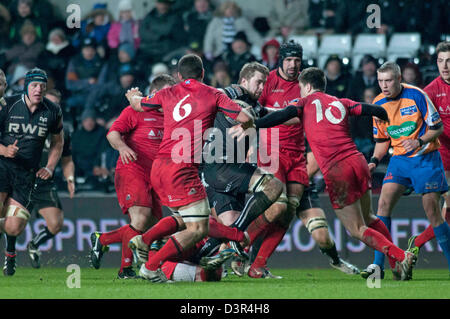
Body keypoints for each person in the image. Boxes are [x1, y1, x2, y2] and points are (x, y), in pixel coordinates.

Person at [253, 66, 417, 281]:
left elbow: (283, 115)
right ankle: (397, 264)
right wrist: (385, 114)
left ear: (308, 86)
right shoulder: (340, 101)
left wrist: (255, 124)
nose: (300, 93)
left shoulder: (304, 102)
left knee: (357, 229)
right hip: (358, 161)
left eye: (301, 88)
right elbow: (369, 109)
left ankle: (400, 255)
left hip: (338, 170)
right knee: (369, 218)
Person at [125, 54, 253, 283]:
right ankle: (151, 267)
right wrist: (249, 125)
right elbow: (243, 115)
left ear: (178, 76)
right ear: (203, 73)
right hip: (182, 169)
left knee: (183, 218)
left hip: (160, 166)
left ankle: (144, 241)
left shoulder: (166, 92)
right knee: (198, 228)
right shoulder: (213, 93)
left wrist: (134, 96)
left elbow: (138, 105)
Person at [362, 61, 450, 278]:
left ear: (399, 79)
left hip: (425, 158)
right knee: (382, 204)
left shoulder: (417, 95)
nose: (384, 85)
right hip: (399, 160)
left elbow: (437, 127)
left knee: (433, 213)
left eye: (388, 80)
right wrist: (373, 159)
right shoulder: (378, 103)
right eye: (380, 81)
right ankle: (378, 267)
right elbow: (382, 140)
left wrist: (419, 141)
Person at [191, 62, 283, 266]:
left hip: (225, 170)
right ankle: (236, 233)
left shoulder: (255, 106)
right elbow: (214, 94)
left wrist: (301, 110)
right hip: (221, 166)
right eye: (258, 82)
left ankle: (197, 260)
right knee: (273, 186)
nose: (261, 87)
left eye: (264, 84)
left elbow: (280, 116)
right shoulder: (232, 92)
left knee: (229, 232)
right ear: (244, 80)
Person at [89, 74, 175, 279]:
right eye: (170, 94)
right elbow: (112, 134)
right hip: (132, 169)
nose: (173, 98)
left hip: (156, 177)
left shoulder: (173, 117)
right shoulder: (135, 111)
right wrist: (123, 148)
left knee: (153, 228)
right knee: (141, 218)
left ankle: (103, 240)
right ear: (156, 94)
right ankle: (125, 270)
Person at [244, 40, 308, 279]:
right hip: (271, 151)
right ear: (281, 60)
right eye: (289, 60)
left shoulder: (305, 84)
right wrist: (251, 144)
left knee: (288, 212)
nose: (293, 65)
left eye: (297, 60)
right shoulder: (268, 80)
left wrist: (279, 116)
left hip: (297, 154)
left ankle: (258, 265)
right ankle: (240, 241)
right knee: (278, 205)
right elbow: (252, 113)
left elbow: (306, 118)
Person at [0, 68, 63, 276]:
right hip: (2, 167)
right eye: (34, 85)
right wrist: (4, 150)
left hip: (27, 174)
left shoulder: (53, 111)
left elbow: (57, 142)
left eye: (42, 87)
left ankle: (10, 252)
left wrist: (50, 167)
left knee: (14, 228)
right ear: (26, 86)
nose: (38, 90)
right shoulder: (7, 105)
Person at [407, 42, 450, 263]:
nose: (446, 66)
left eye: (449, 61)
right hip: (443, 158)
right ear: (436, 63)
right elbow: (422, 127)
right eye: (441, 61)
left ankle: (417, 242)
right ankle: (418, 242)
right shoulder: (430, 91)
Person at [26, 89, 75, 268]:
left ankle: (34, 245)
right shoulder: (25, 122)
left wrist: (70, 178)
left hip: (45, 183)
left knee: (56, 225)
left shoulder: (64, 131)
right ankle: (10, 255)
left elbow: (67, 159)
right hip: (21, 180)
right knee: (10, 224)